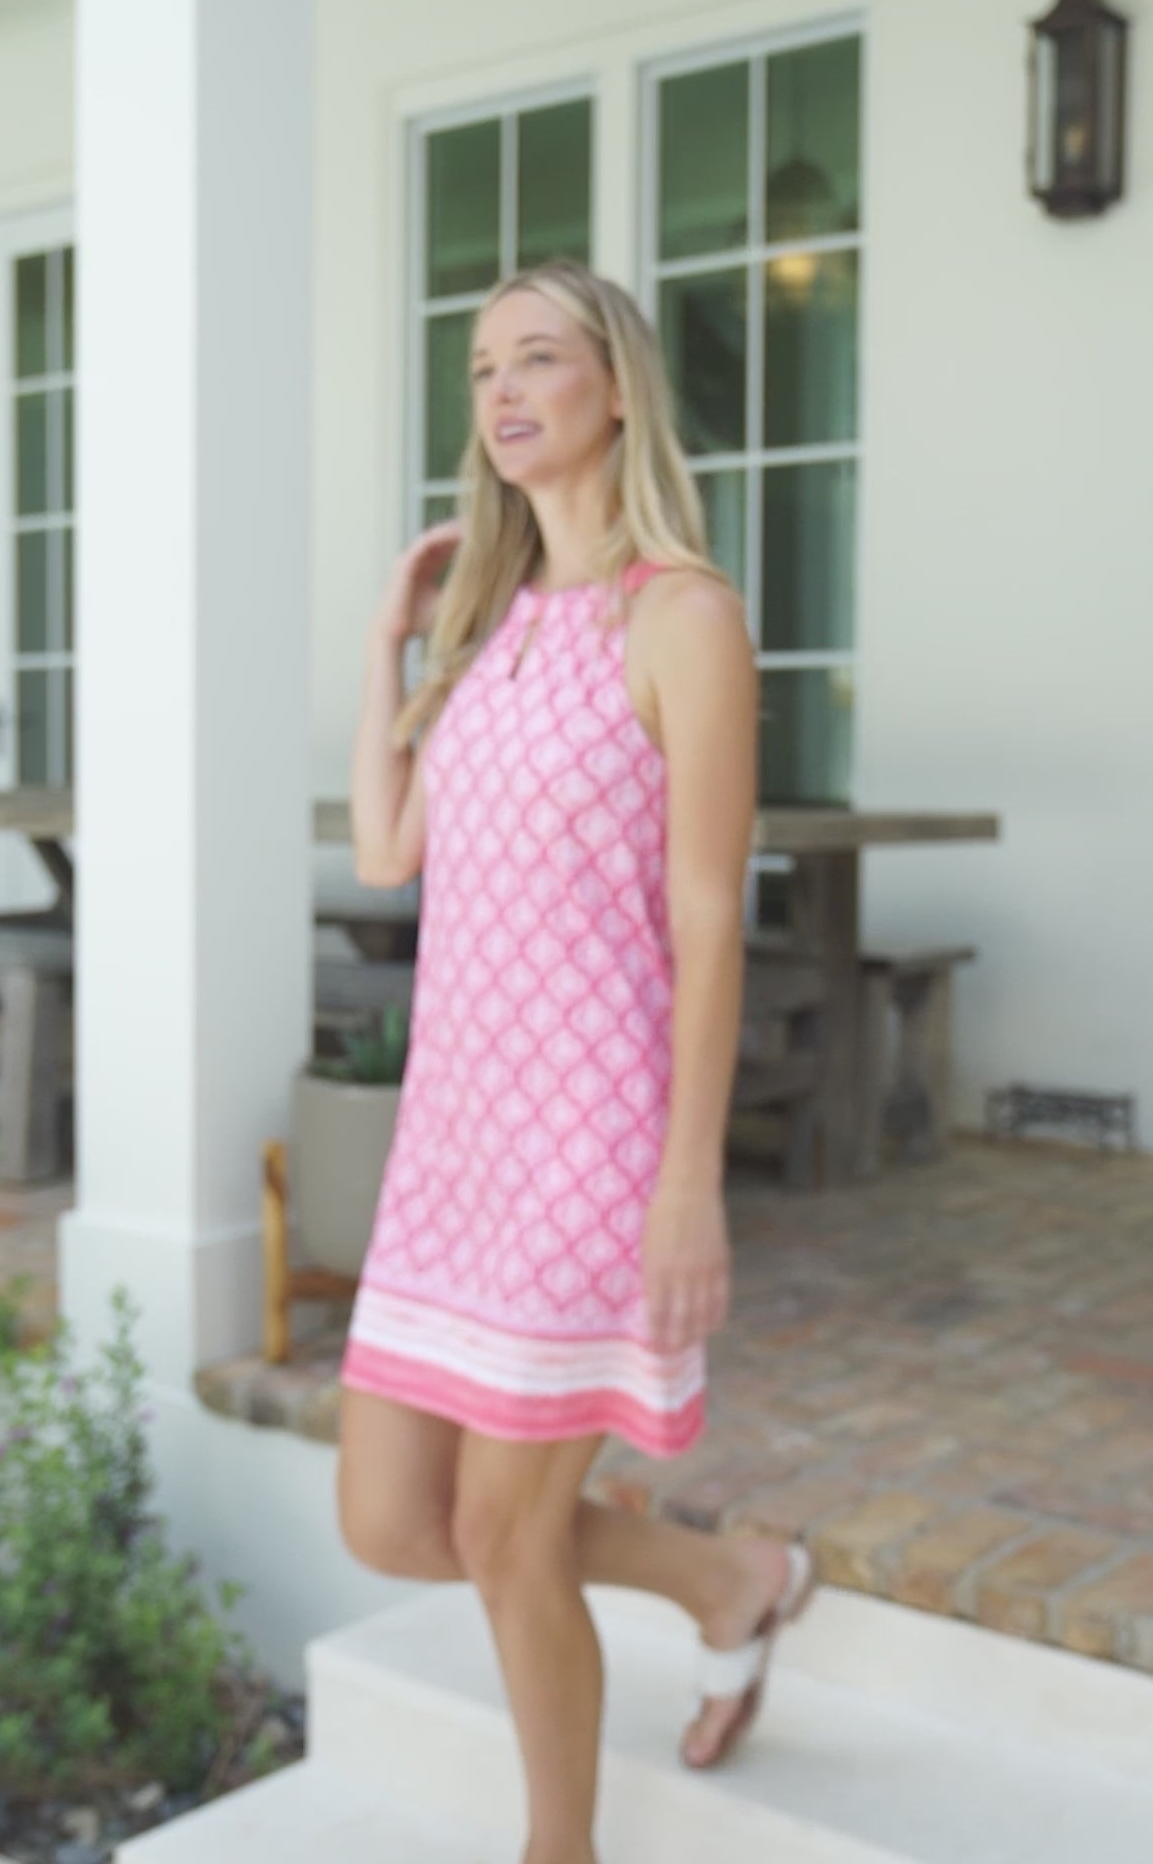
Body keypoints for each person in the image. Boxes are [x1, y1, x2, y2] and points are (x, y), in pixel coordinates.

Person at [336, 258, 815, 1864]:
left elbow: (708, 920)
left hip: (590, 1141)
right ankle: (723, 1577)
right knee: (390, 1520)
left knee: (499, 1529)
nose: (503, 391)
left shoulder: (683, 613)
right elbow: (386, 845)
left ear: (615, 388)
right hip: (454, 1139)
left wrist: (689, 1180)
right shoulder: (483, 628)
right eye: (480, 371)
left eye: (538, 357)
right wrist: (391, 640)